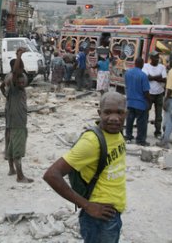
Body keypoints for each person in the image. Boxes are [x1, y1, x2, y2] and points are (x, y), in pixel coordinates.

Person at [43, 92, 127, 243]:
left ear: (126, 114)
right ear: (99, 113)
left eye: (119, 112)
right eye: (108, 112)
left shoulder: (117, 133)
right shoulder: (91, 142)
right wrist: (87, 206)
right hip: (100, 218)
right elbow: (51, 174)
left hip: (113, 213)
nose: (114, 118)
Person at [0, 48, 33, 183]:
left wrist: (6, 96)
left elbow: (1, 87)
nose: (22, 83)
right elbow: (16, 73)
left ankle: (11, 169)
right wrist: (19, 55)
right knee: (18, 146)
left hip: (10, 116)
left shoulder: (7, 79)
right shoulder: (14, 79)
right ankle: (20, 176)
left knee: (10, 142)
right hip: (17, 119)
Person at [124, 57, 151, 146]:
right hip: (140, 103)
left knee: (130, 120)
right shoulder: (143, 75)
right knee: (141, 122)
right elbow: (146, 91)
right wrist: (149, 102)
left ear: (135, 63)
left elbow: (127, 85)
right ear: (142, 64)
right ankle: (140, 140)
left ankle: (128, 136)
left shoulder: (127, 73)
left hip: (130, 101)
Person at [142, 51, 167, 139]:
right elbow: (146, 78)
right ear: (151, 59)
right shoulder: (146, 66)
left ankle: (157, 131)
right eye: (155, 58)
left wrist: (152, 77)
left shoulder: (162, 67)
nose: (157, 60)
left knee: (159, 114)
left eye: (157, 58)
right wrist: (158, 77)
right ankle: (143, 131)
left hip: (159, 93)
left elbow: (164, 79)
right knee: (145, 113)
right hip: (149, 93)